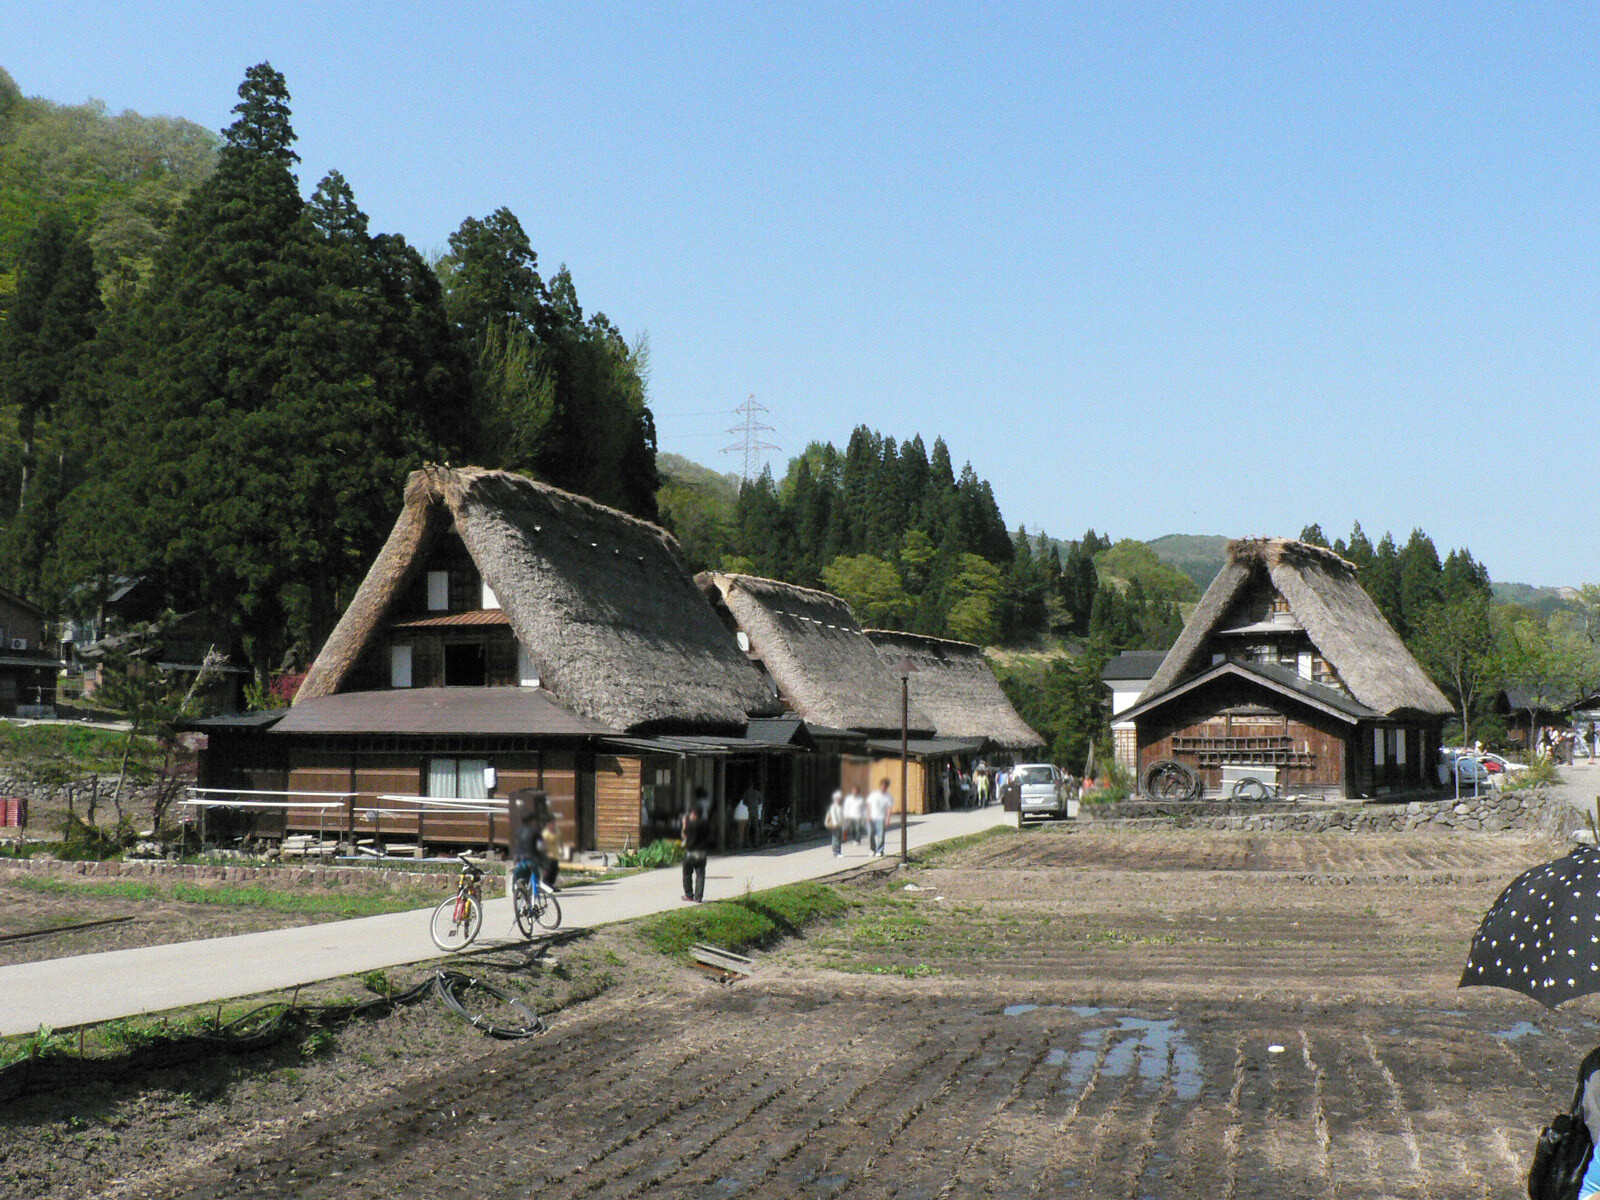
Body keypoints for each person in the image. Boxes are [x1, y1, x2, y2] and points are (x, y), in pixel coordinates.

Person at [510, 792, 553, 904]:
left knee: (522, 873)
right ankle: (534, 890)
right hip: (531, 858)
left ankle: (520, 886)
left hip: (520, 858)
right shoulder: (535, 830)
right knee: (537, 871)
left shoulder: (518, 830)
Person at [681, 788, 712, 903]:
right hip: (702, 851)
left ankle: (689, 895)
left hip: (690, 851)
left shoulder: (689, 824)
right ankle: (698, 897)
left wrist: (685, 823)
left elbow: (684, 835)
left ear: (693, 813)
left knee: (687, 873)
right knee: (700, 874)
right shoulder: (704, 824)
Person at [866, 777, 893, 857]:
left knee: (881, 835)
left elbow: (889, 809)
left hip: (881, 817)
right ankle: (873, 849)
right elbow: (869, 805)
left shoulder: (888, 796)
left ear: (887, 787)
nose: (883, 787)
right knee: (870, 834)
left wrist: (888, 819)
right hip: (871, 817)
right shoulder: (874, 794)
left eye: (885, 786)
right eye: (882, 785)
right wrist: (868, 815)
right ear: (880, 785)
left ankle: (880, 850)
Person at [824, 789, 845, 856]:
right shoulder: (833, 806)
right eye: (838, 798)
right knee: (835, 838)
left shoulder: (840, 806)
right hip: (835, 825)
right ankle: (835, 852)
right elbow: (833, 815)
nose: (839, 799)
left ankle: (839, 851)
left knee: (839, 838)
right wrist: (835, 824)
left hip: (840, 824)